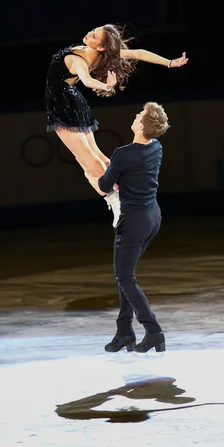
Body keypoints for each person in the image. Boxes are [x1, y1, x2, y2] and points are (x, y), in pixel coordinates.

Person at [45, 23, 187, 225]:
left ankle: (122, 202)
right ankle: (126, 194)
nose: (89, 33)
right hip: (72, 101)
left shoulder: (76, 59)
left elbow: (86, 79)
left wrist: (103, 85)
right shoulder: (99, 54)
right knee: (94, 159)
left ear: (101, 47)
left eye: (94, 36)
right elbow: (138, 53)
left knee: (88, 161)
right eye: (93, 30)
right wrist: (170, 63)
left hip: (62, 106)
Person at [84, 102, 169, 353]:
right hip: (152, 217)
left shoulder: (123, 154)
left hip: (133, 222)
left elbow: (104, 185)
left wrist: (90, 177)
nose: (135, 115)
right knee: (126, 275)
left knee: (124, 277)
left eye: (139, 115)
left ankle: (153, 330)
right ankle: (124, 332)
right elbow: (127, 171)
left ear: (142, 125)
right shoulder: (156, 147)